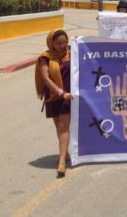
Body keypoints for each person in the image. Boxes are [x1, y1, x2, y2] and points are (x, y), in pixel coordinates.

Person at [35, 29, 74, 178]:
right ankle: (66, 153)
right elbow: (46, 78)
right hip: (53, 95)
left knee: (64, 127)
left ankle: (62, 161)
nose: (62, 45)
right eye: (58, 43)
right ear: (51, 43)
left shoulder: (71, 54)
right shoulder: (45, 58)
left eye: (64, 42)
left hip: (67, 96)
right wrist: (59, 92)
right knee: (59, 127)